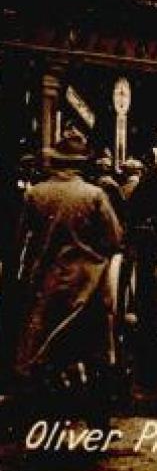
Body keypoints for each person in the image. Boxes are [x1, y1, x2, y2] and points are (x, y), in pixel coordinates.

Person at [10, 130, 123, 411]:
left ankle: (50, 406)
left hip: (47, 279)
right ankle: (95, 409)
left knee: (45, 343)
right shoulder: (94, 194)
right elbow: (114, 239)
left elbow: (21, 240)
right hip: (88, 280)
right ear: (80, 163)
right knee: (92, 345)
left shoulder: (35, 194)